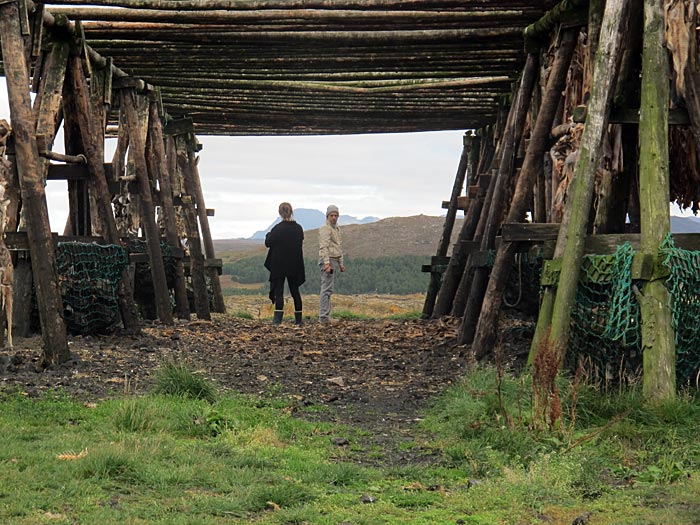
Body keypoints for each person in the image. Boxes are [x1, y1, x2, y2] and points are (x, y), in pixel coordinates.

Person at [264, 202, 305, 325]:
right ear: (291, 211)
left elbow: (268, 243)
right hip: (294, 264)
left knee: (279, 291)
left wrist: (268, 235)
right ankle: (298, 320)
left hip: (279, 264)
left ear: (280, 213)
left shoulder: (277, 229)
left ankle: (277, 320)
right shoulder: (298, 228)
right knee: (295, 291)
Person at [318, 204, 344, 322]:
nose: (334, 217)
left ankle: (325, 315)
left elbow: (337, 246)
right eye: (332, 215)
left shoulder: (336, 228)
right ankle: (324, 316)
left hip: (333, 259)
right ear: (327, 216)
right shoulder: (325, 228)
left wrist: (340, 262)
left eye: (336, 215)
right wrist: (327, 263)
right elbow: (324, 246)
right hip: (327, 260)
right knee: (326, 289)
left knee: (329, 289)